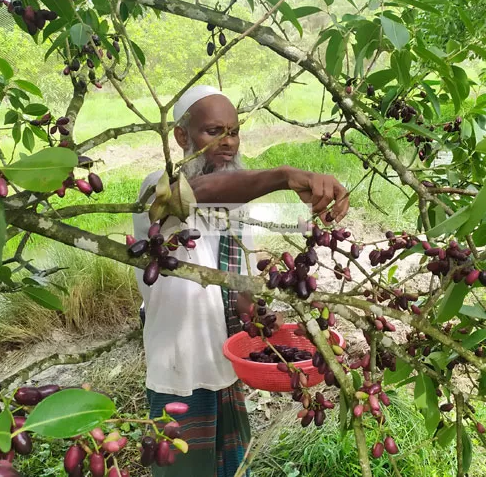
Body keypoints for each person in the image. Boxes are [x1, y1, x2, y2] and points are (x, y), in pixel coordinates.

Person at [132, 85, 350, 477]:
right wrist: (285, 175)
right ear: (182, 137)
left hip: (227, 368)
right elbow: (200, 193)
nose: (228, 142)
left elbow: (241, 294)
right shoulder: (158, 189)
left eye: (233, 131)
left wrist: (271, 323)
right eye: (213, 132)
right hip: (180, 373)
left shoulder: (235, 211)